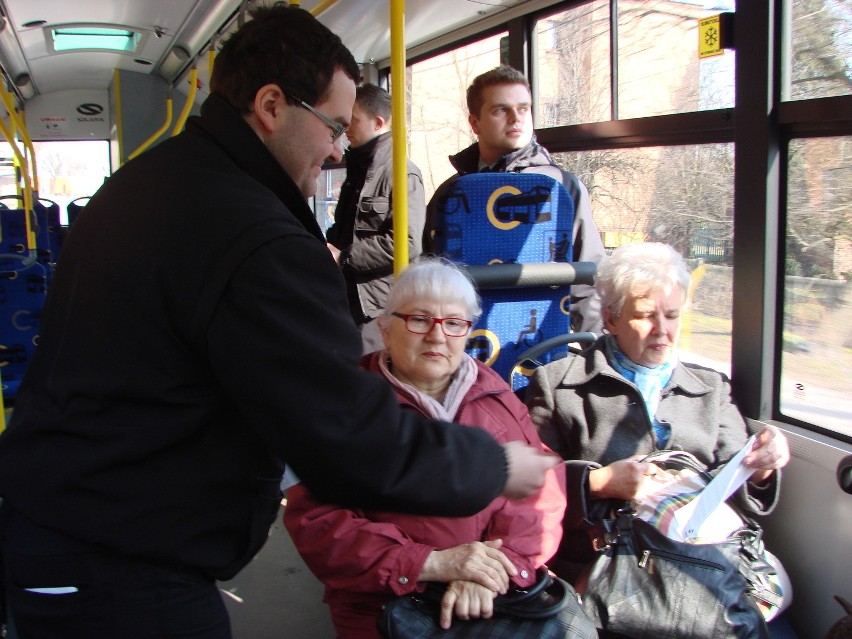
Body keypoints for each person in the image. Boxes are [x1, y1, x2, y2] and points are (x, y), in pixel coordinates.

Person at [0, 6, 558, 638]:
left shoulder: (152, 181)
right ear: (270, 105)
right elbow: (347, 443)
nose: (340, 147)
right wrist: (496, 468)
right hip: (117, 558)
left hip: (76, 521)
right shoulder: (256, 237)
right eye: (332, 126)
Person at [283, 257, 569, 638]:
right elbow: (318, 523)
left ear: (468, 333)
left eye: (453, 323)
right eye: (419, 320)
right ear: (385, 330)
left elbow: (541, 493)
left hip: (489, 601)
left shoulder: (499, 398)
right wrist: (432, 563)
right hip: (385, 606)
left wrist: (494, 570)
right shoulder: (342, 403)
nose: (437, 336)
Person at [524, 242, 793, 635]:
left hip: (701, 560)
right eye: (646, 316)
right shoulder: (559, 385)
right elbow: (526, 484)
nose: (662, 331)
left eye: (672, 315)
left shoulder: (710, 388)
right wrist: (597, 484)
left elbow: (737, 476)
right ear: (612, 320)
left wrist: (762, 469)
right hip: (612, 565)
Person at [423, 64, 607, 333]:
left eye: (523, 109)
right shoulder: (453, 193)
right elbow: (429, 271)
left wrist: (596, 348)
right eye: (501, 110)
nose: (516, 119)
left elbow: (588, 280)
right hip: (460, 337)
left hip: (542, 333)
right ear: (475, 123)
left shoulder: (562, 189)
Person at [326, 83, 425, 353]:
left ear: (378, 122)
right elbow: (346, 228)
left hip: (376, 305)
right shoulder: (359, 169)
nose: (346, 127)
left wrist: (344, 257)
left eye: (353, 120)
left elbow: (406, 242)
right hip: (348, 296)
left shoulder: (402, 174)